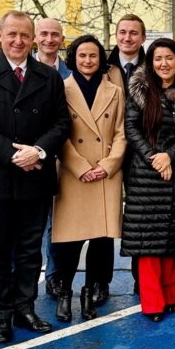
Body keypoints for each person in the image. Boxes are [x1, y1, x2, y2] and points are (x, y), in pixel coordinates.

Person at [0, 10, 70, 343]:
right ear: (0, 35)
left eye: (25, 35)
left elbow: (61, 124)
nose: (18, 41)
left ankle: (25, 307)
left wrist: (37, 151)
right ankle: (1, 315)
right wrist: (13, 155)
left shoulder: (48, 77)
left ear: (33, 38)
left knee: (29, 250)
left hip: (36, 178)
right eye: (12, 34)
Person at [121, 38, 175, 322]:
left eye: (169, 58)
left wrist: (169, 156)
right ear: (150, 62)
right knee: (149, 244)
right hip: (145, 174)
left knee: (171, 240)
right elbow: (131, 129)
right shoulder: (140, 90)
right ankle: (152, 303)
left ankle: (169, 298)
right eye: (158, 58)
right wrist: (154, 158)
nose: (163, 63)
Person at [50, 35, 126, 322]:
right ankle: (65, 293)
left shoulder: (115, 91)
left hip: (105, 174)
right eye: (82, 55)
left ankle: (89, 292)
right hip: (74, 174)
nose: (87, 60)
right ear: (74, 58)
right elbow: (58, 132)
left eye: (93, 55)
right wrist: (79, 166)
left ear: (101, 58)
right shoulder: (61, 88)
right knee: (68, 242)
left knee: (100, 241)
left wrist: (109, 165)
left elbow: (121, 133)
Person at [108, 14, 146, 294]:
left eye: (133, 33)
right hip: (107, 150)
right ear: (116, 35)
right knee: (104, 216)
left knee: (139, 217)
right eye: (122, 32)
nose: (127, 37)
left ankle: (140, 278)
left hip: (140, 153)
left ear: (142, 38)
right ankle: (99, 281)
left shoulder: (153, 66)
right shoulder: (103, 66)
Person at [34, 17, 70, 302]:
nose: (49, 39)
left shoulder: (71, 74)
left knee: (56, 224)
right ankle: (15, 282)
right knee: (24, 225)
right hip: (29, 157)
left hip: (63, 156)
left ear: (62, 39)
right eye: (44, 34)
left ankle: (54, 277)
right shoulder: (23, 69)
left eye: (54, 34)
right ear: (36, 37)